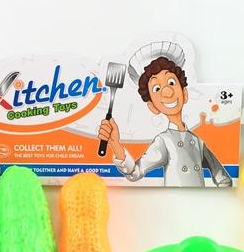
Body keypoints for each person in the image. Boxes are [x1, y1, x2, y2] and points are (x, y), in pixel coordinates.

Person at [98, 43, 232, 187]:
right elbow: (135, 172)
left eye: (171, 82)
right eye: (157, 88)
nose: (167, 92)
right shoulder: (163, 141)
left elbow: (223, 178)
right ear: (152, 106)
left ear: (184, 93)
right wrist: (115, 144)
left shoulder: (197, 141)